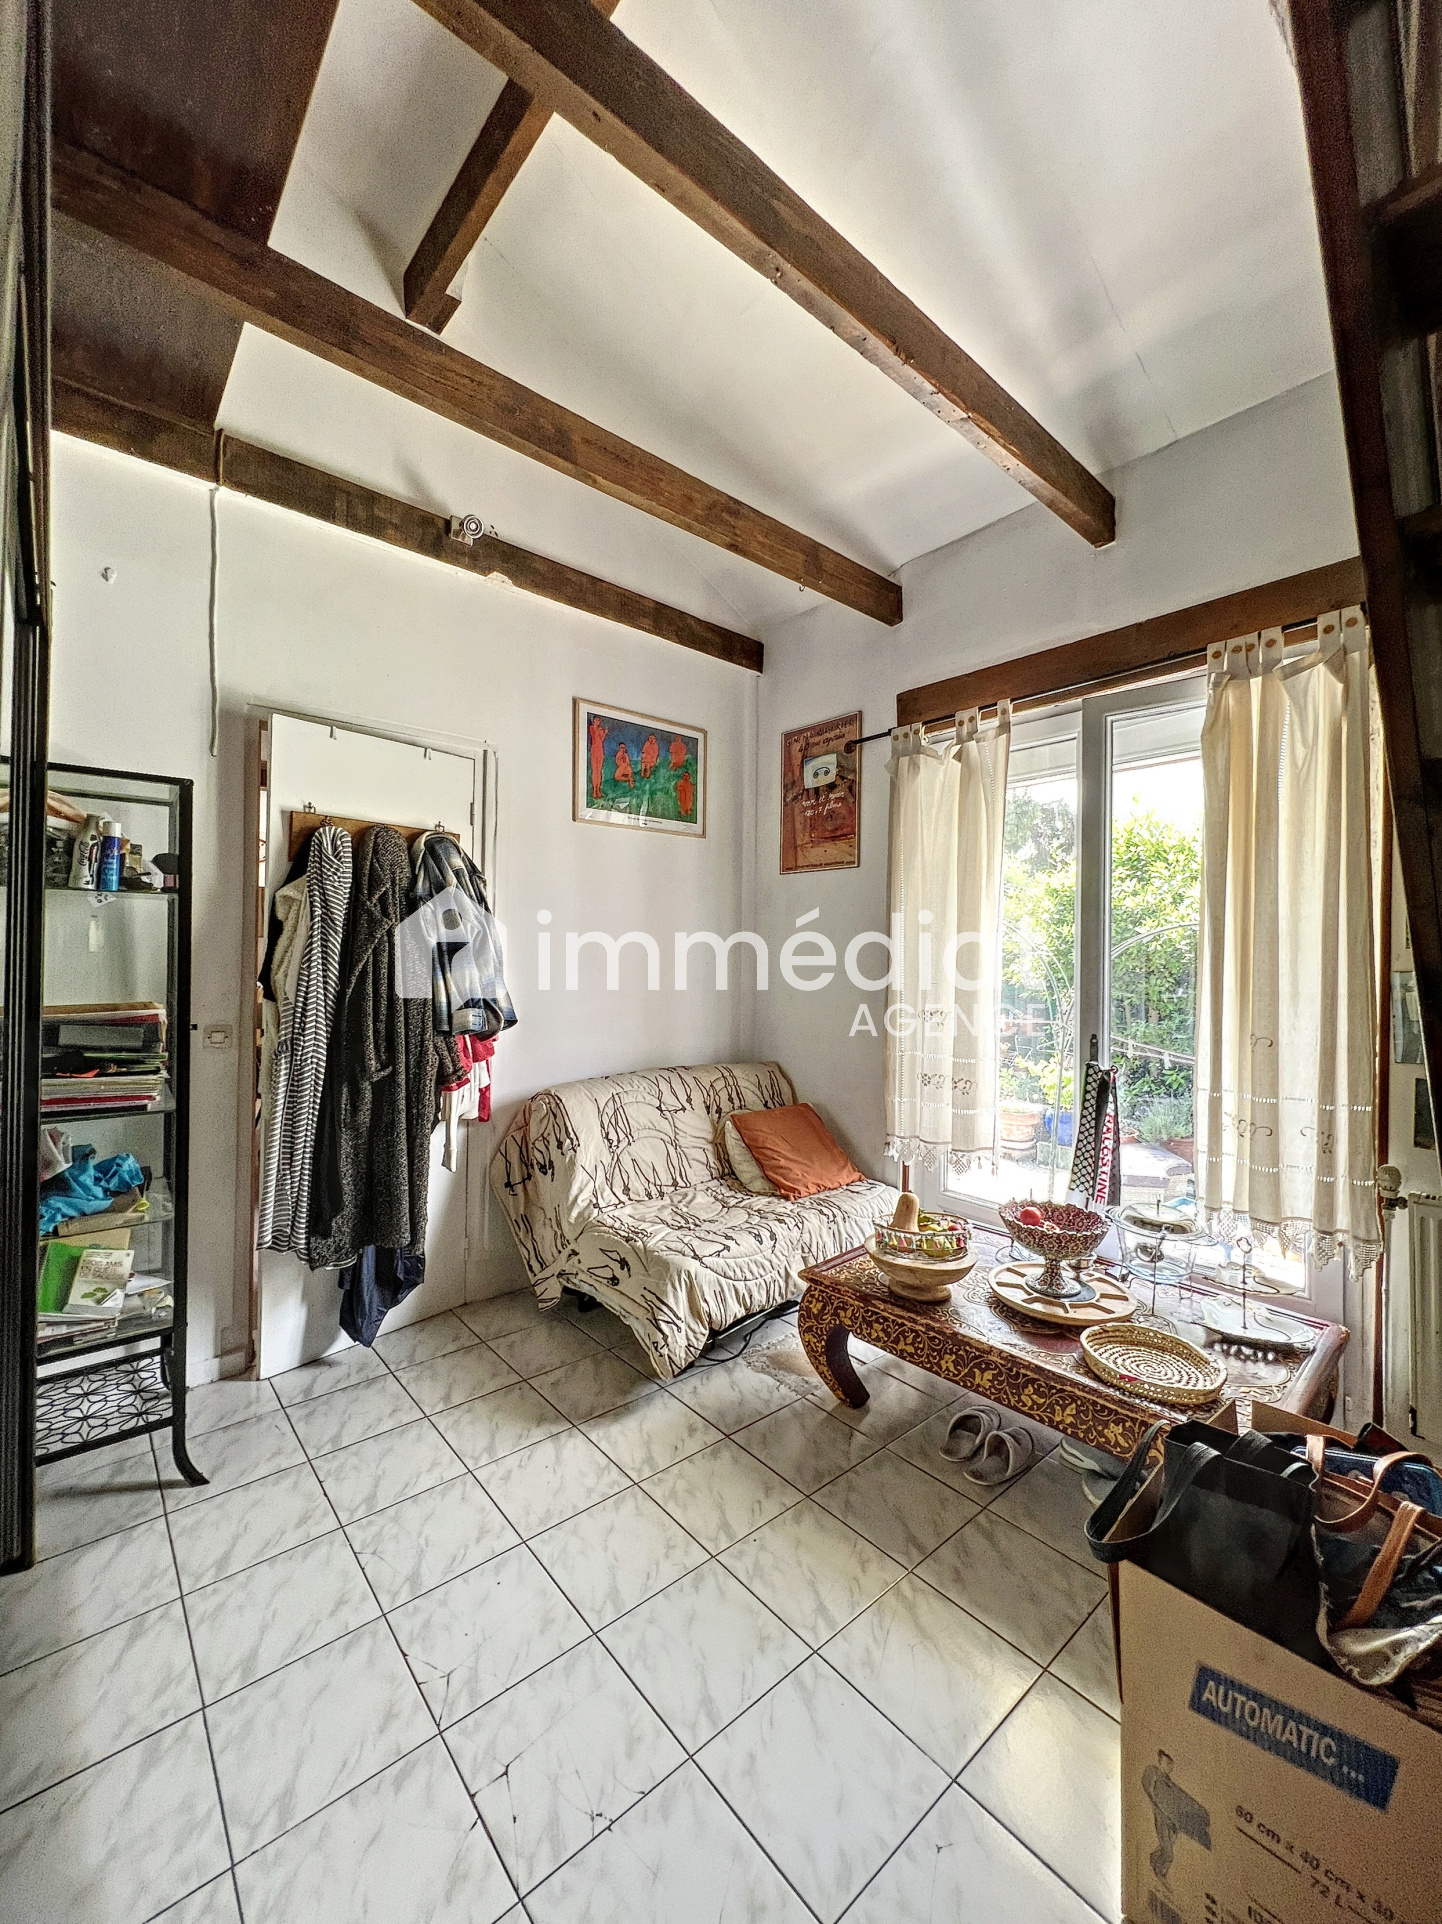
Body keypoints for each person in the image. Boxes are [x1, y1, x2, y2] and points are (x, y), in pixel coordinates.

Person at [588, 716, 607, 801]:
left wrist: (604, 733)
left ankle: (598, 790)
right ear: (594, 721)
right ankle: (594, 791)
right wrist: (599, 731)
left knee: (599, 771)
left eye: (599, 720)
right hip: (594, 750)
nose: (598, 722)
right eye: (596, 720)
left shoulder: (600, 729)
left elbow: (601, 739)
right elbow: (594, 737)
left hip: (600, 750)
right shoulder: (592, 728)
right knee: (594, 771)